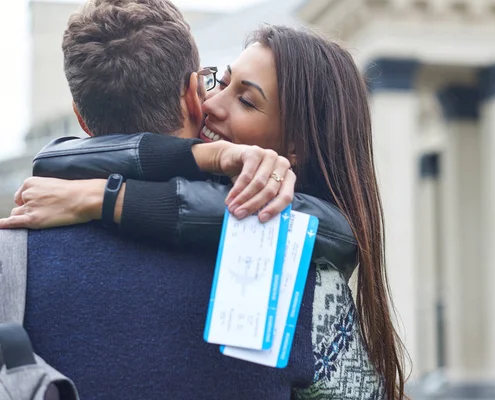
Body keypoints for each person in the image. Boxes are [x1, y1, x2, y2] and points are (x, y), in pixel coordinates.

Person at [2, 9, 408, 400]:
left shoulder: (16, 252)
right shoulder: (306, 279)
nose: (213, 104)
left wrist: (102, 198)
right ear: (192, 98)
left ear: (82, 119)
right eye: (218, 82)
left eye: (247, 101)